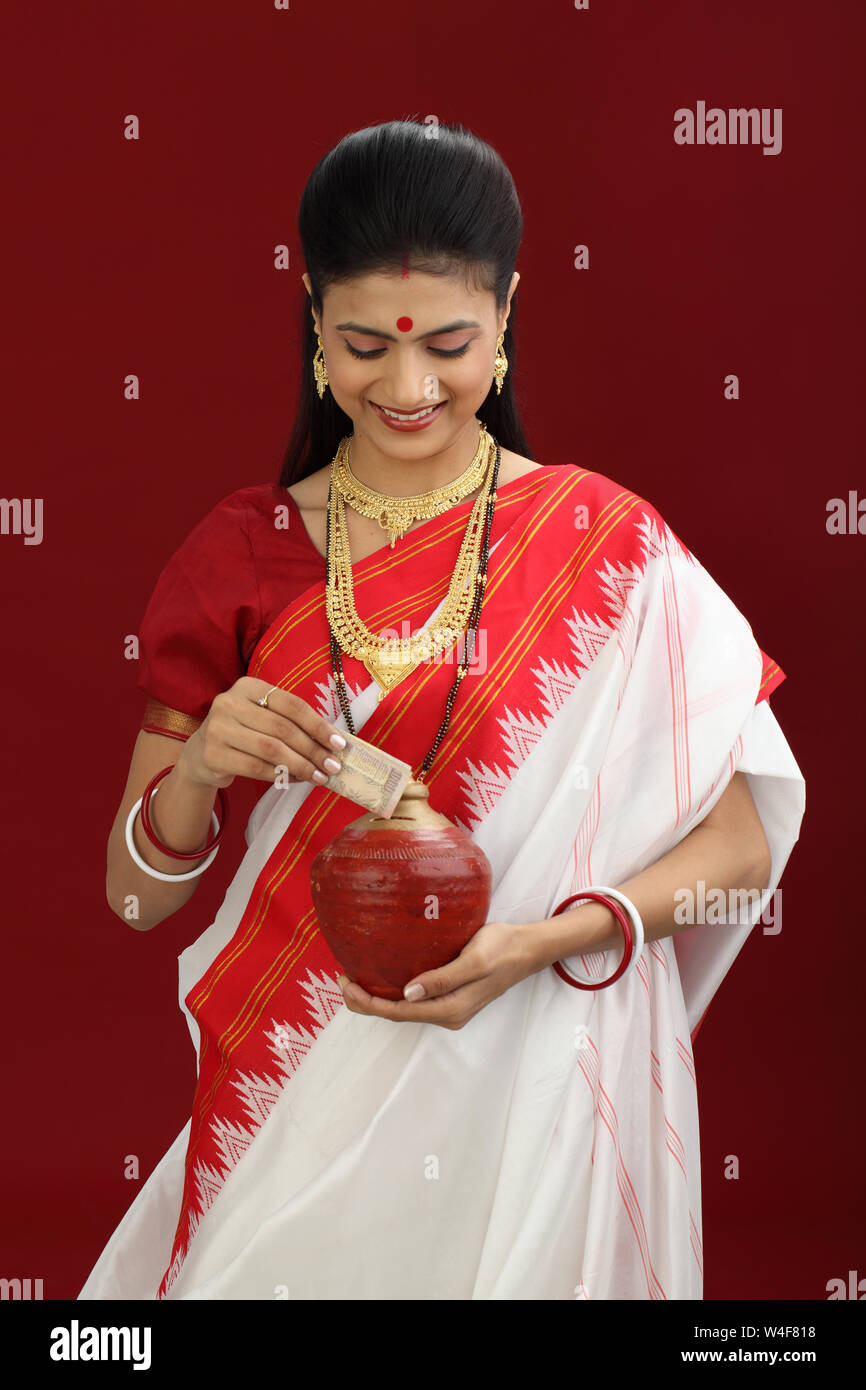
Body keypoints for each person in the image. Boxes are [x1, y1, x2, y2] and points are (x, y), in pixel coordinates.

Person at [79, 119, 805, 1301]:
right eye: (364, 345)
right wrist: (203, 768)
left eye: (450, 346)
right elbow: (130, 898)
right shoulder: (242, 553)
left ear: (509, 314)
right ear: (314, 319)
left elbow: (740, 838)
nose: (407, 389)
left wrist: (542, 942)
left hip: (539, 1063)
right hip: (297, 1081)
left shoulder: (607, 543)